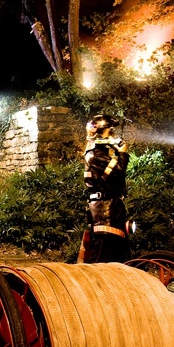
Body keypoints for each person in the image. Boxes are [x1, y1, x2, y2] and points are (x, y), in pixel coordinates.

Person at [78, 113, 131, 263]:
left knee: (117, 260)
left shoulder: (99, 154)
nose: (113, 135)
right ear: (100, 133)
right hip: (104, 214)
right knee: (102, 262)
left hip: (110, 211)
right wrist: (123, 153)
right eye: (110, 131)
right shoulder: (95, 155)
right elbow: (118, 173)